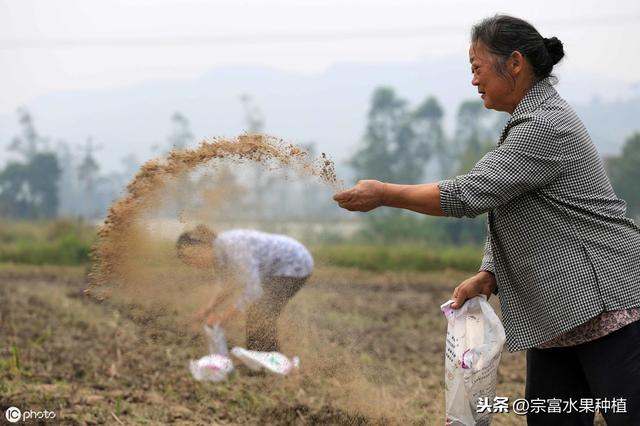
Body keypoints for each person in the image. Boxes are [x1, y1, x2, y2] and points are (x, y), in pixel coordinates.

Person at [333, 15, 640, 426]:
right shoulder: (528, 122)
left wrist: (385, 193)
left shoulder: (545, 125)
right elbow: (515, 209)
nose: (474, 81)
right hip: (558, 315)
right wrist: (489, 273)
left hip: (607, 305)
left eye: (477, 68)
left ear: (515, 64)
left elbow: (469, 193)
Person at [176, 224, 313, 352]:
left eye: (193, 259)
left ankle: (266, 361)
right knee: (259, 311)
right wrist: (209, 308)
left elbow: (253, 290)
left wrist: (224, 317)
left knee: (260, 311)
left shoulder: (232, 246)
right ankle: (262, 360)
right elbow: (229, 285)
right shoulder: (219, 255)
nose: (195, 265)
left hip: (294, 263)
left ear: (202, 247)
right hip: (277, 270)